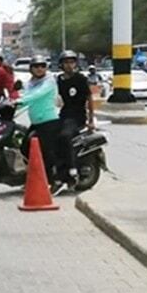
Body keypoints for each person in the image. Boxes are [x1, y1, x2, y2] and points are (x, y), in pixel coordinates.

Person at [17, 55, 65, 194]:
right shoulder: (30, 83)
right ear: (31, 69)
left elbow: (37, 95)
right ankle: (35, 179)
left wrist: (20, 101)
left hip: (49, 121)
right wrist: (12, 103)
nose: (39, 69)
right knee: (24, 148)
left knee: (45, 151)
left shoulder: (49, 81)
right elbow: (25, 96)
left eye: (42, 66)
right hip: (36, 122)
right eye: (36, 66)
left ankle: (56, 180)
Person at [57, 50, 93, 189]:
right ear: (61, 65)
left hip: (77, 117)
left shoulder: (80, 79)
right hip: (63, 115)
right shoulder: (59, 80)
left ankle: (72, 170)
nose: (69, 65)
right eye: (66, 62)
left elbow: (89, 99)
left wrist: (91, 120)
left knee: (65, 136)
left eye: (71, 62)